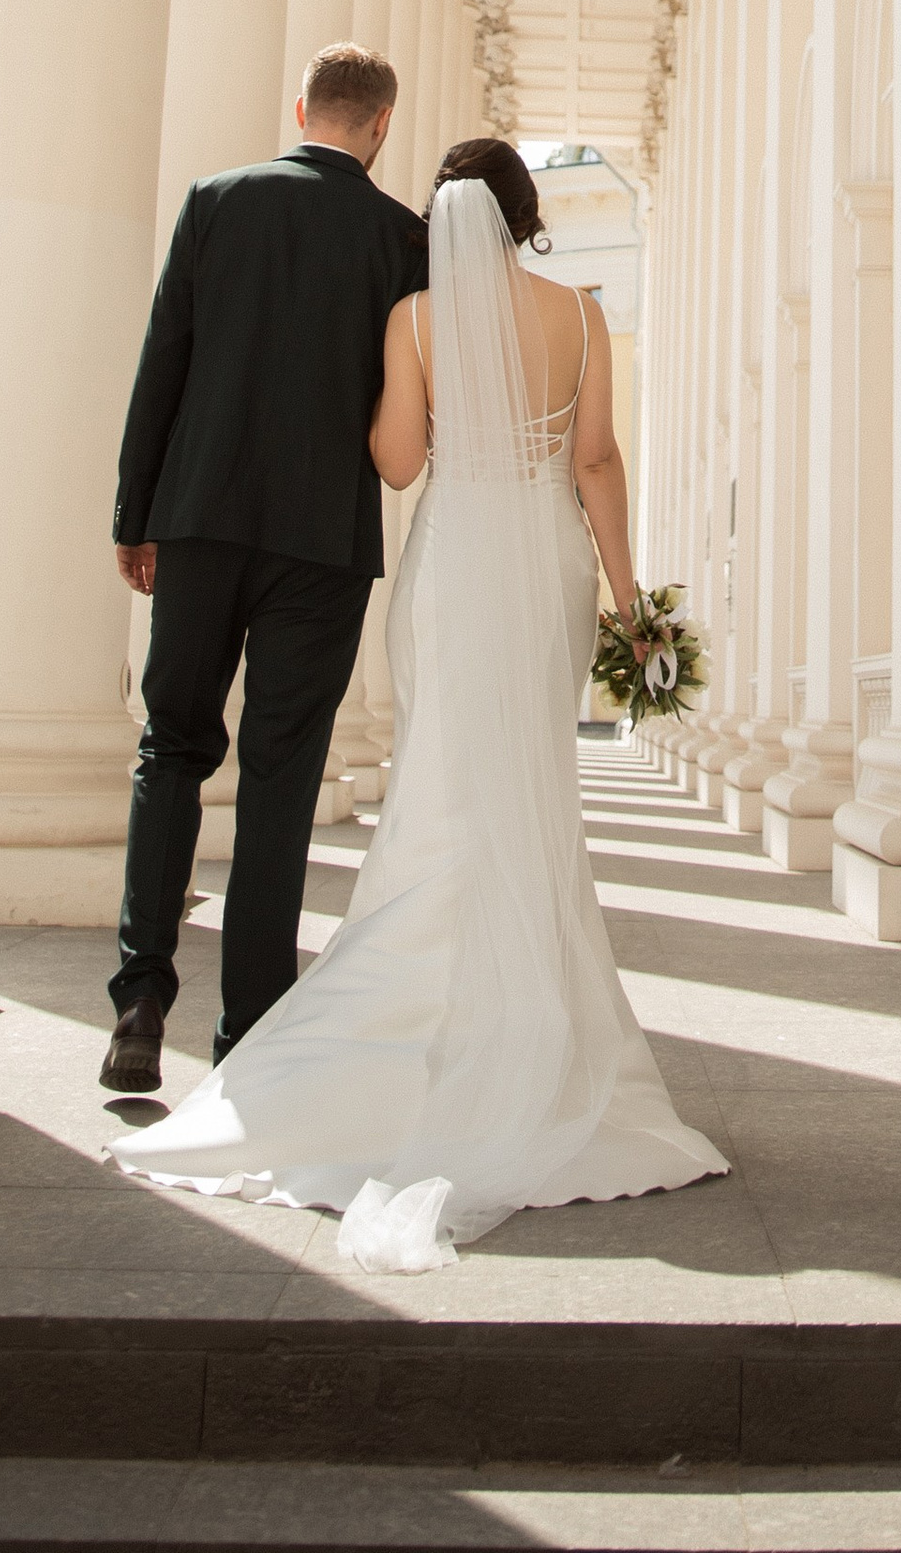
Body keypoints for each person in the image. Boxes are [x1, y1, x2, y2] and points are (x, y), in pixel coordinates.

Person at [110, 138, 729, 1260]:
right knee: (532, 785)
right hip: (546, 563)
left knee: (442, 774)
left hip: (455, 559)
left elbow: (396, 465)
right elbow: (595, 461)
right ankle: (533, 1027)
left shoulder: (414, 318)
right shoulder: (582, 316)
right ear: (527, 213)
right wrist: (630, 601)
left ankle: (398, 1022)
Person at [99, 43, 426, 1094]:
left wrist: (134, 514)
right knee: (281, 776)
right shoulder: (400, 240)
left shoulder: (215, 201)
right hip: (323, 540)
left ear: (301, 109)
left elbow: (166, 362)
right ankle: (250, 1027)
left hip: (198, 518)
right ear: (381, 124)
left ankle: (142, 995)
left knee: (174, 748)